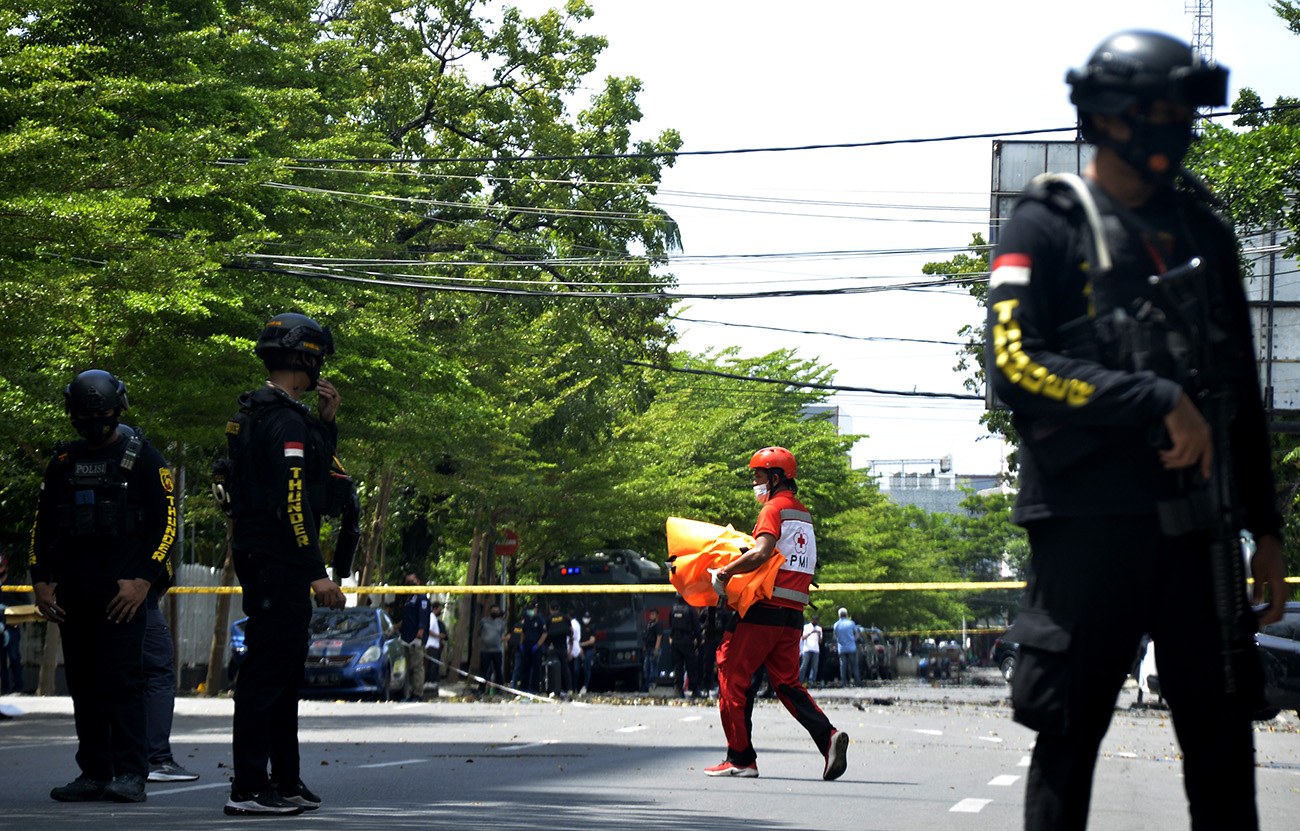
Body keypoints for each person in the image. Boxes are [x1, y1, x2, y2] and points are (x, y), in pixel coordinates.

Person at [987, 32, 1289, 831]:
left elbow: (1238, 391)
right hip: (1088, 526)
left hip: (1201, 531)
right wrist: (1151, 396)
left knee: (1224, 748)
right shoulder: (1046, 223)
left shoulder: (1203, 229)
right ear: (1115, 115)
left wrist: (1268, 529)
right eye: (1165, 109)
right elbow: (1015, 366)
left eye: (1187, 109)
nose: (1181, 125)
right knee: (1067, 740)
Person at [31, 369, 176, 803]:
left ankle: (131, 773)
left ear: (118, 410)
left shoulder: (146, 459)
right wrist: (40, 580)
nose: (93, 420)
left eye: (102, 412)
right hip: (75, 592)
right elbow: (43, 526)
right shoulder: (63, 463)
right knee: (84, 682)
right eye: (84, 413)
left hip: (124, 595)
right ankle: (94, 772)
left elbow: (166, 525)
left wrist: (143, 581)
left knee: (123, 681)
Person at [226, 312, 347, 817]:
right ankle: (250, 788)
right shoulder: (283, 420)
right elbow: (295, 501)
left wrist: (327, 424)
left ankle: (285, 780)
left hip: (266, 554)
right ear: (304, 359)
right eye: (316, 359)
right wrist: (317, 572)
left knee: (284, 674)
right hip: (279, 559)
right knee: (265, 675)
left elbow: (311, 479)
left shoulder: (263, 412)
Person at [706, 446, 849, 780]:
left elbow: (762, 552)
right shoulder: (803, 515)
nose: (755, 483)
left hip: (763, 609)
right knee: (786, 683)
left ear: (774, 478)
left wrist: (724, 573)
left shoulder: (774, 509)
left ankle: (740, 758)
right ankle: (828, 738)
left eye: (757, 476)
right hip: (792, 614)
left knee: (731, 673)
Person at [143, 586, 199, 782]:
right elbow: (161, 569)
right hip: (139, 600)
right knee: (158, 676)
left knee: (113, 678)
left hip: (91, 599)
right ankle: (156, 759)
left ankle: (104, 764)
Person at [399, 572, 432, 701]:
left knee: (417, 667)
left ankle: (418, 693)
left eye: (412, 581)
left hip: (415, 638)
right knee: (410, 667)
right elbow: (407, 619)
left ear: (418, 581)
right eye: (408, 582)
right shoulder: (409, 599)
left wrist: (419, 637)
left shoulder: (421, 598)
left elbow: (422, 620)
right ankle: (412, 692)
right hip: (407, 638)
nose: (410, 584)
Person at [668, 595, 702, 698]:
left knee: (678, 666)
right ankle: (695, 690)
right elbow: (696, 626)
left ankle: (679, 690)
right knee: (691, 666)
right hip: (687, 641)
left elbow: (670, 624)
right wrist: (699, 640)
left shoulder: (673, 609)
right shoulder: (690, 610)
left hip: (676, 641)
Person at [540, 600, 573, 696]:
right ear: (558, 608)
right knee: (565, 669)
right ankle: (569, 689)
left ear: (550, 609)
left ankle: (553, 689)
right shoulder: (565, 618)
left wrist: (545, 646)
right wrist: (570, 645)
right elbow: (571, 632)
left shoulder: (549, 619)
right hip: (563, 646)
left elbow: (546, 633)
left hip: (553, 647)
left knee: (552, 668)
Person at [477, 602, 507, 694]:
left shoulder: (501, 623)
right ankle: (481, 689)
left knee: (498, 670)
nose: (495, 612)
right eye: (493, 611)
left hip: (497, 650)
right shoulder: (483, 621)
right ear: (489, 611)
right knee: (484, 671)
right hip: (485, 650)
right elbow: (479, 632)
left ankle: (499, 689)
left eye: (497, 611)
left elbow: (501, 633)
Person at [517, 601, 546, 693]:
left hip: (536, 648)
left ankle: (535, 688)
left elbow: (544, 634)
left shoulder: (540, 619)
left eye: (532, 609)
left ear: (536, 609)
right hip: (526, 646)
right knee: (525, 668)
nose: (531, 611)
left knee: (536, 669)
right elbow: (523, 632)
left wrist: (537, 645)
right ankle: (523, 688)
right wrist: (521, 644)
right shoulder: (526, 619)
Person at [832, 608, 860, 687]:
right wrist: (853, 639)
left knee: (843, 666)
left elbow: (835, 636)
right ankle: (857, 681)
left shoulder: (836, 625)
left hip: (842, 648)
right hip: (851, 647)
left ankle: (844, 682)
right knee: (854, 665)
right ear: (847, 615)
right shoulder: (851, 623)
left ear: (839, 615)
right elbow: (856, 634)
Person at [426, 600, 445, 696]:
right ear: (435, 609)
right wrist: (438, 636)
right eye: (440, 610)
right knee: (432, 665)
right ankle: (430, 682)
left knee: (434, 665)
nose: (440, 612)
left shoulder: (434, 618)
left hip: (435, 645)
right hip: (431, 645)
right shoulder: (431, 618)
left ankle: (432, 682)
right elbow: (428, 630)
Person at [641, 608, 663, 692]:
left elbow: (659, 637)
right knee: (646, 667)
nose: (651, 616)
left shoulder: (659, 625)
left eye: (653, 614)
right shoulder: (649, 625)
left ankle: (653, 685)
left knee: (654, 667)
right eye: (650, 614)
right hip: (648, 648)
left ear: (657, 616)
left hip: (654, 648)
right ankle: (646, 685)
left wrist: (656, 649)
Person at [799, 614, 822, 687]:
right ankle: (800, 680)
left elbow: (820, 642)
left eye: (817, 620)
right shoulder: (806, 627)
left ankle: (811, 681)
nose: (816, 622)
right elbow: (802, 637)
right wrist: (811, 632)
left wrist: (819, 636)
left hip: (816, 649)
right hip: (807, 649)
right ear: (811, 620)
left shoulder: (819, 628)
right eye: (814, 620)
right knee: (804, 665)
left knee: (814, 667)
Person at [576, 611, 596, 694]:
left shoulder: (592, 628)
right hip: (578, 649)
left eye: (587, 618)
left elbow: (592, 641)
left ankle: (585, 686)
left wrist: (582, 644)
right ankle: (574, 687)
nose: (586, 619)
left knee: (587, 667)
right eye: (585, 617)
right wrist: (579, 647)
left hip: (588, 650)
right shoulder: (579, 627)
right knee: (576, 668)